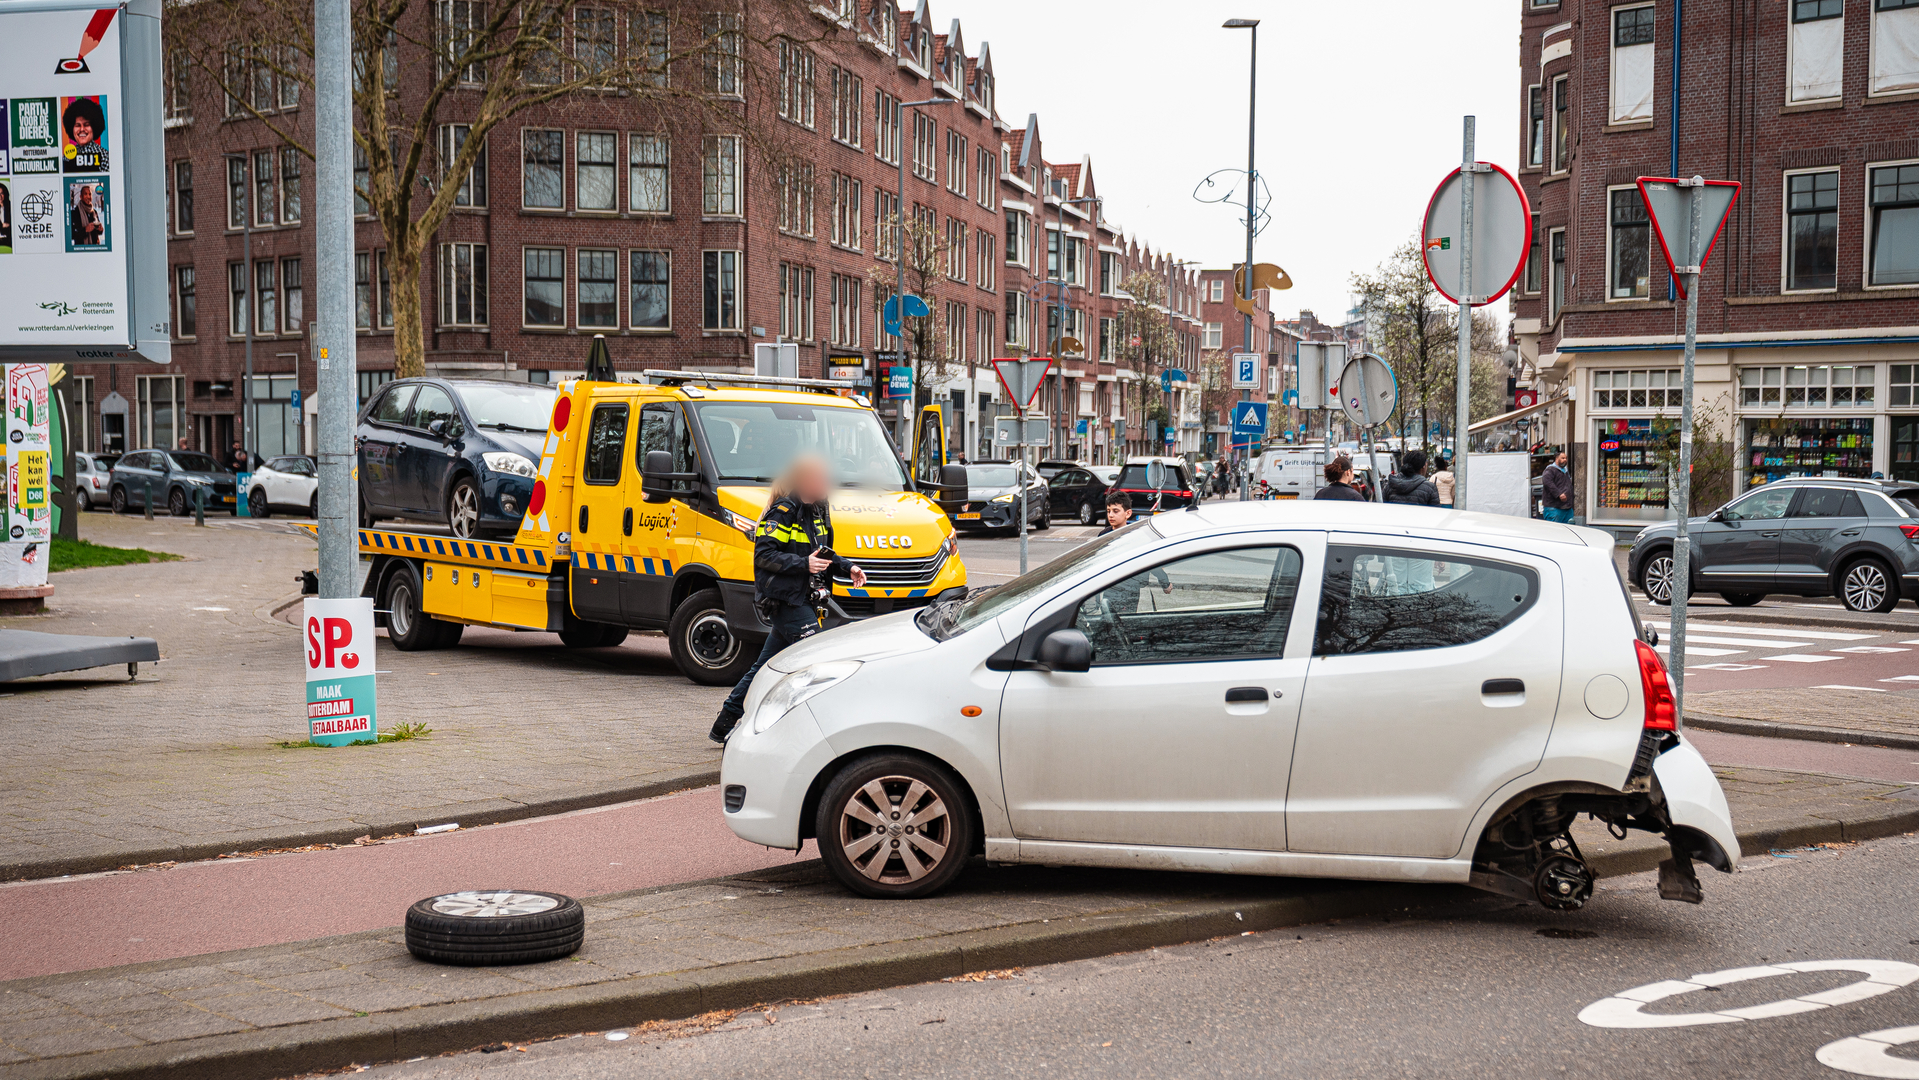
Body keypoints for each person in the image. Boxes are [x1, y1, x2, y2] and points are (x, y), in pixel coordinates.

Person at [711, 454, 867, 743]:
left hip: (802, 598)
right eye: (822, 477)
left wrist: (849, 567)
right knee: (815, 662)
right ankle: (818, 731)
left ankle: (723, 724)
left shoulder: (817, 510)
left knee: (763, 668)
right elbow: (764, 555)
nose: (828, 482)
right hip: (785, 601)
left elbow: (823, 552)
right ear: (806, 480)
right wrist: (803, 565)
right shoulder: (783, 511)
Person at [1542, 450, 1574, 523]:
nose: (1565, 460)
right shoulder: (1550, 470)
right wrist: (1558, 494)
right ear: (1557, 459)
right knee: (1554, 531)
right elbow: (1547, 482)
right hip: (1554, 507)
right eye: (1562, 458)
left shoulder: (1565, 470)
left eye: (1566, 458)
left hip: (1566, 507)